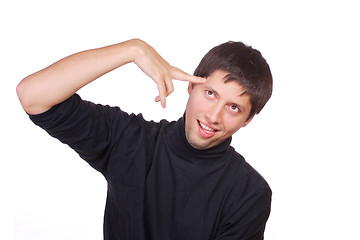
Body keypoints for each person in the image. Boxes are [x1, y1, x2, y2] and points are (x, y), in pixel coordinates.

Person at [16, 38, 273, 240]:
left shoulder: (250, 194)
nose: (214, 116)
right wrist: (133, 50)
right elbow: (32, 95)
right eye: (210, 93)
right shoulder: (130, 140)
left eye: (234, 108)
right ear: (191, 86)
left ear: (247, 119)